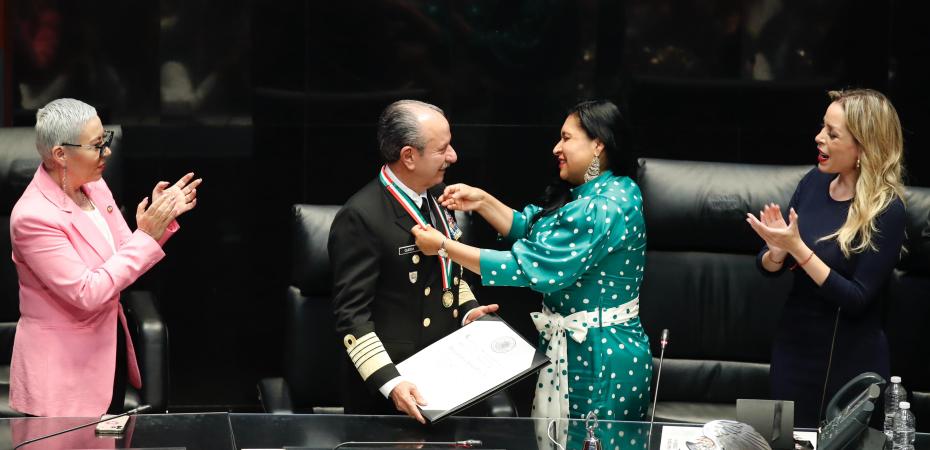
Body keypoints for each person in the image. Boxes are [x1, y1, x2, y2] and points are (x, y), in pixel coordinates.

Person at [412, 100, 651, 448]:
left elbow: (528, 267)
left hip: (599, 359)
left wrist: (444, 247)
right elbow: (536, 228)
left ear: (598, 144)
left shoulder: (603, 206)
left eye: (566, 138)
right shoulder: (606, 188)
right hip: (579, 348)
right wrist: (483, 202)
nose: (556, 148)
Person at [9, 98, 202, 417]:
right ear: (60, 154)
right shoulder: (33, 217)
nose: (107, 152)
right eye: (97, 145)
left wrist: (157, 221)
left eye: (105, 140)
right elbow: (88, 292)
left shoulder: (94, 186)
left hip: (109, 352)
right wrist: (145, 235)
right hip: (63, 372)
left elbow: (125, 255)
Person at [328, 100, 498, 423]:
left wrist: (468, 311)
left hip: (448, 376)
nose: (453, 156)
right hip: (393, 392)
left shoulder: (438, 196)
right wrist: (391, 383)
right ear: (408, 156)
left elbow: (451, 274)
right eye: (442, 149)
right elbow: (352, 316)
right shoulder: (360, 216)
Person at [746, 88, 907, 427]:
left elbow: (856, 298)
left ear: (863, 147)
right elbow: (768, 264)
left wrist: (798, 249)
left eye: (832, 134)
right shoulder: (813, 182)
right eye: (823, 127)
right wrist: (776, 252)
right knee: (779, 439)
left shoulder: (887, 210)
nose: (819, 138)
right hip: (793, 347)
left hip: (851, 363)